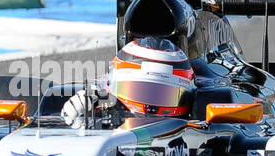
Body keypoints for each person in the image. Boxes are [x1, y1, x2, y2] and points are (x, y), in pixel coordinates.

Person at [61, 37, 195, 126]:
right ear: (110, 85)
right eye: (137, 89)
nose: (147, 107)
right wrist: (77, 114)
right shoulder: (97, 100)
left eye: (161, 94)